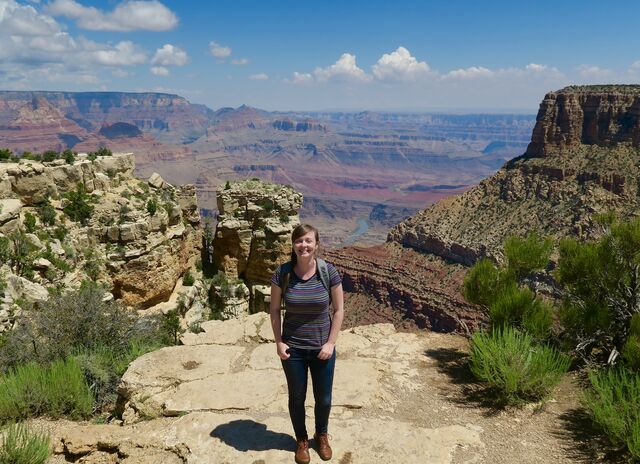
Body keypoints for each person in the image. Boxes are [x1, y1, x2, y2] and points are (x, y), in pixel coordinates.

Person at [270, 224, 344, 464]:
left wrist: (331, 343)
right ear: (293, 244)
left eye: (308, 241)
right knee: (297, 398)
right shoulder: (283, 273)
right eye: (299, 241)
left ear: (316, 244)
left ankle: (321, 435)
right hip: (294, 350)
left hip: (322, 348)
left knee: (323, 399)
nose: (304, 245)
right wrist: (279, 342)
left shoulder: (328, 272)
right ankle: (301, 440)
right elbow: (273, 311)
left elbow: (339, 309)